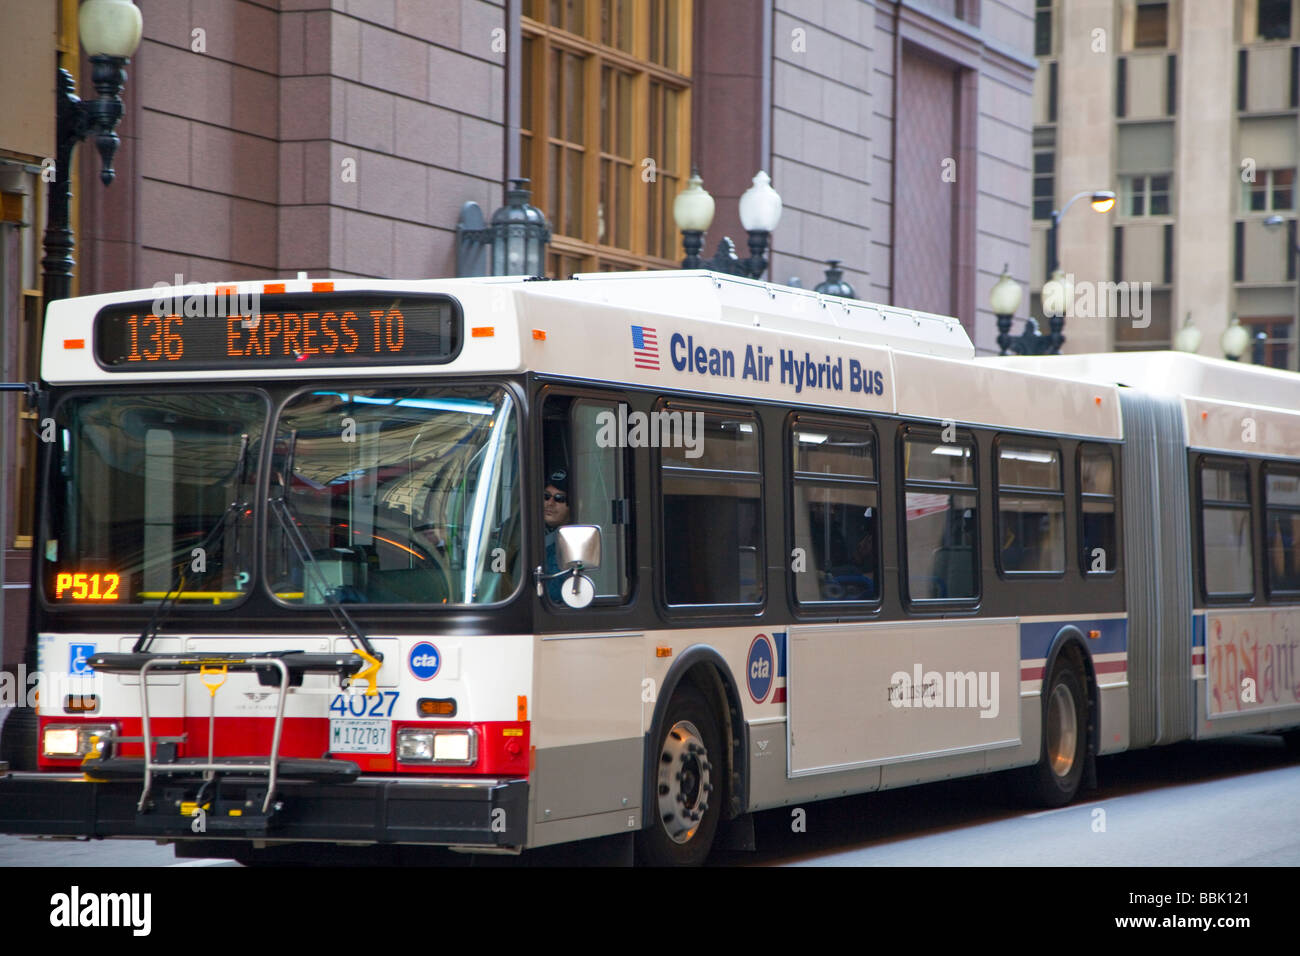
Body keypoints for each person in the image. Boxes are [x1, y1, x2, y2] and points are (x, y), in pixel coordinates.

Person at [543, 468, 571, 602]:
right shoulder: (527, 531)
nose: (550, 503)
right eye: (546, 496)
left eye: (559, 498)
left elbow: (552, 595)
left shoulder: (570, 545)